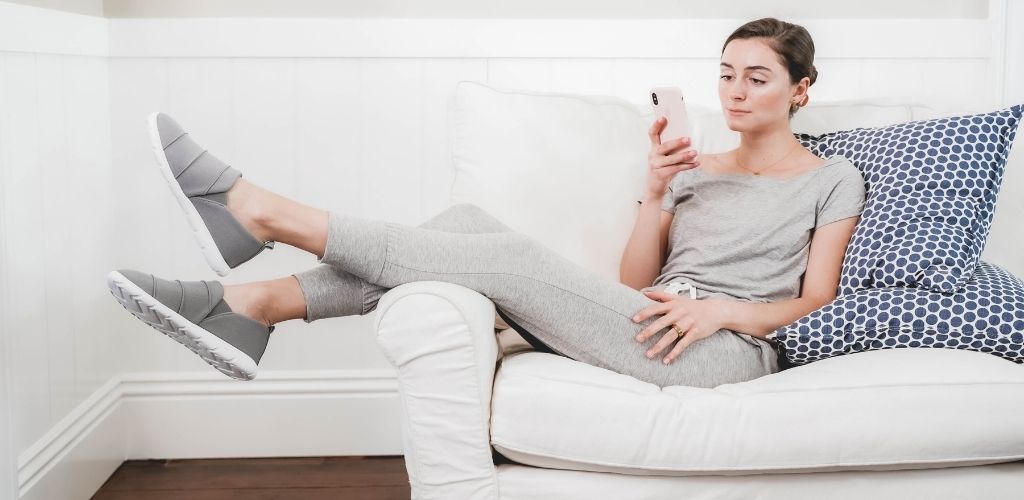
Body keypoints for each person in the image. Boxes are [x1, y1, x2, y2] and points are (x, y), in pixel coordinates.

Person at [105, 17, 865, 387]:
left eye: (757, 78)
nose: (734, 91)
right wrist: (657, 188)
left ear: (800, 91)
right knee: (468, 226)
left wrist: (724, 312)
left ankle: (258, 217)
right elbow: (636, 284)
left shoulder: (832, 178)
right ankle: (257, 303)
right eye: (726, 73)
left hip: (723, 350)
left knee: (502, 254)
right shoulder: (694, 166)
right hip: (650, 318)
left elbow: (818, 298)